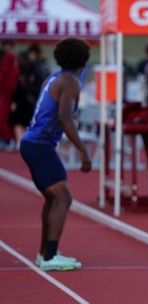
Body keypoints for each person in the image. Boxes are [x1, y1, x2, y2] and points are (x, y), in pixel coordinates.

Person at [19, 37, 92, 271]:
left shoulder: (53, 77)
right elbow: (64, 117)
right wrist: (83, 150)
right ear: (84, 61)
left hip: (33, 143)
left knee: (53, 198)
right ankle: (50, 257)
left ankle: (44, 254)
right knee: (63, 198)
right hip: (40, 145)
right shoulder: (70, 82)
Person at [0, 39, 19, 150]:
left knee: (7, 118)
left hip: (8, 95)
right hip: (4, 94)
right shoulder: (4, 58)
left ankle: (8, 140)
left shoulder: (11, 59)